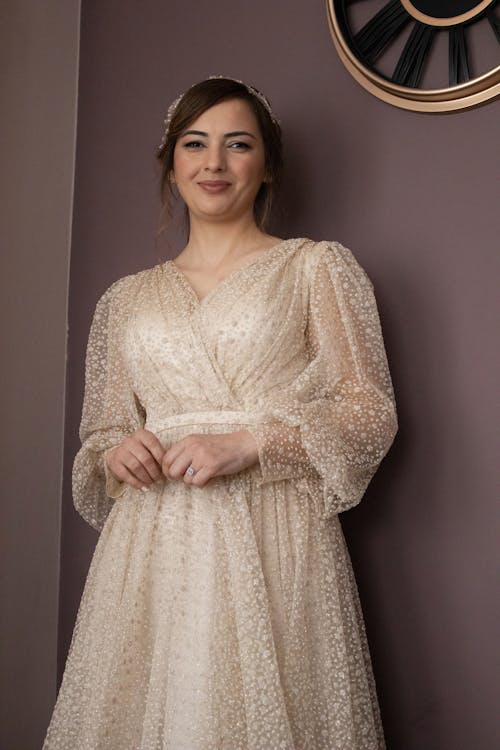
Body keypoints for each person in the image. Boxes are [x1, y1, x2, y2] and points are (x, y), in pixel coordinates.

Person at [43, 76, 398, 750]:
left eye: (238, 144)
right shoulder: (124, 300)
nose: (214, 163)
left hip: (273, 535)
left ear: (266, 166)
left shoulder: (315, 268)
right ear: (171, 163)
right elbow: (103, 435)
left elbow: (368, 412)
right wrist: (117, 452)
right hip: (153, 546)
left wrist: (250, 444)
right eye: (195, 143)